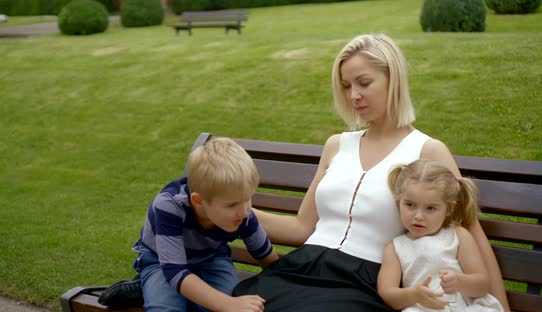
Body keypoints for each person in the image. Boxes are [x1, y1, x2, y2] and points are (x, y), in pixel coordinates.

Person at [233, 33, 510, 311]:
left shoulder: (428, 151)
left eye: (364, 83)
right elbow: (303, 228)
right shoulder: (336, 146)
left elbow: (471, 231)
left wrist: (502, 307)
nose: (353, 95)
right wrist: (236, 211)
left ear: (394, 80)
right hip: (302, 266)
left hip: (363, 282)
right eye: (345, 86)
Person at [132, 137, 279, 312]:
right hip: (161, 261)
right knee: (166, 307)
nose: (245, 211)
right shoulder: (169, 206)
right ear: (198, 201)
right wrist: (227, 303)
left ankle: (155, 291)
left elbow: (266, 257)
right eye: (232, 205)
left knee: (225, 299)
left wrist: (286, 287)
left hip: (211, 258)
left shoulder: (243, 213)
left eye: (248, 199)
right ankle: (146, 286)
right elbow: (175, 272)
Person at [378, 159, 504, 311]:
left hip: (464, 307)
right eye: (410, 205)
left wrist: (460, 282)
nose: (418, 216)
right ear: (399, 202)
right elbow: (387, 293)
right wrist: (414, 295)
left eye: (430, 208)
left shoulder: (458, 236)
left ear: (449, 209)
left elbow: (482, 284)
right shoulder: (395, 248)